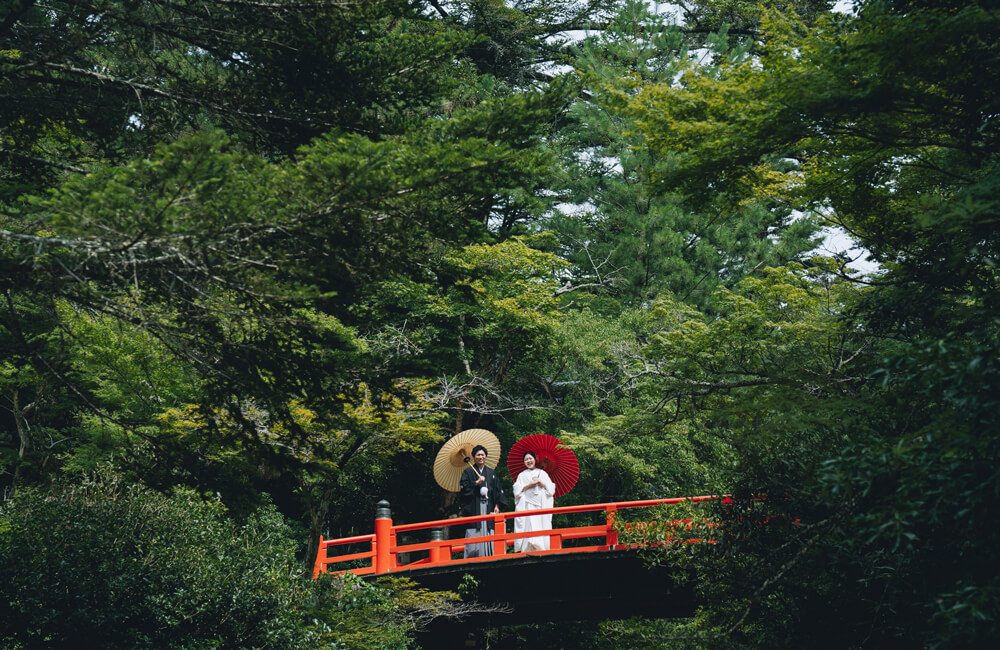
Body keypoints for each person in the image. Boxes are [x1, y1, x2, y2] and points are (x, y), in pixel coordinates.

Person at [459, 444, 508, 558]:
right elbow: (463, 489)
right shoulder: (468, 472)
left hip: (489, 506)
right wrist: (476, 483)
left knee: (489, 528)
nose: (480, 457)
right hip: (474, 506)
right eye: (478, 455)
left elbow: (497, 490)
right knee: (475, 529)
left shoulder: (491, 473)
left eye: (482, 455)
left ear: (486, 456)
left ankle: (491, 555)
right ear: (474, 457)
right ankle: (474, 556)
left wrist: (497, 505)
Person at [512, 450, 556, 552]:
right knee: (528, 525)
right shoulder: (521, 475)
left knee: (540, 525)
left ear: (535, 460)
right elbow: (516, 491)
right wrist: (528, 485)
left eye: (530, 458)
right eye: (526, 459)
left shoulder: (542, 473)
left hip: (540, 504)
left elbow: (551, 490)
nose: (528, 461)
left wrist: (542, 483)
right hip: (527, 504)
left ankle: (541, 547)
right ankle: (527, 548)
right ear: (524, 462)